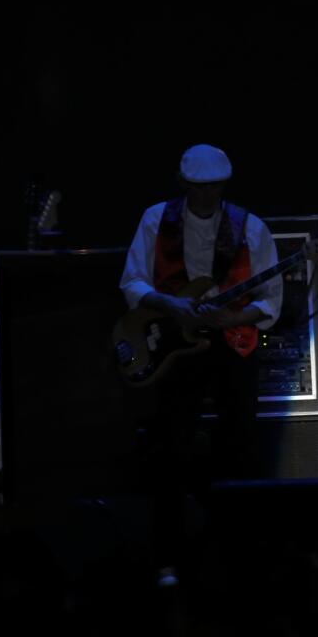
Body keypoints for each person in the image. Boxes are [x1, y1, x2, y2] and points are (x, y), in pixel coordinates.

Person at [119, 143, 283, 568]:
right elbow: (132, 282)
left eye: (215, 188)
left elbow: (269, 302)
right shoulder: (157, 219)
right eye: (199, 188)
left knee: (240, 441)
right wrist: (170, 304)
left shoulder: (250, 227)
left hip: (231, 343)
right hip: (177, 344)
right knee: (171, 443)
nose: (207, 197)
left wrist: (231, 318)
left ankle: (239, 546)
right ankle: (170, 552)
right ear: (183, 185)